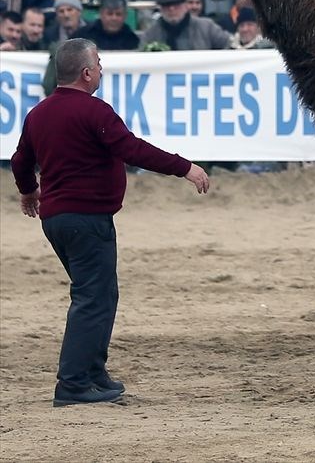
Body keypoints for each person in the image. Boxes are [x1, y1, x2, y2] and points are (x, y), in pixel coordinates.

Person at [11, 38, 211, 407]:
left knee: (100, 294)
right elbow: (133, 149)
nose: (101, 69)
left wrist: (28, 192)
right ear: (86, 73)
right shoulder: (94, 112)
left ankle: (92, 373)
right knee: (92, 297)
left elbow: (21, 160)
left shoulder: (38, 113)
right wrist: (185, 167)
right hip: (86, 219)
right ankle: (72, 384)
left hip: (57, 219)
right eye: (99, 64)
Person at [139, 0, 230, 49]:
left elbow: (229, 45)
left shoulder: (207, 27)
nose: (172, 10)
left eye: (176, 5)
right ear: (161, 9)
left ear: (185, 7)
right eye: (166, 6)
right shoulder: (151, 34)